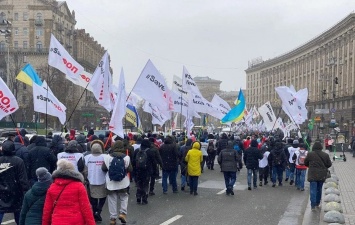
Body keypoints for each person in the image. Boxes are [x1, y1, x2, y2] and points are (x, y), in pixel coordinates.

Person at [42, 159, 95, 225]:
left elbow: (47, 210)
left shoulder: (52, 187)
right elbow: (86, 208)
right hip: (76, 221)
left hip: (57, 221)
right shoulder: (79, 186)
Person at [102, 140, 132, 225]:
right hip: (123, 182)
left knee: (112, 200)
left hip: (111, 182)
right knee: (124, 197)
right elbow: (130, 169)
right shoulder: (126, 157)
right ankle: (122, 213)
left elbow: (103, 168)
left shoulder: (107, 157)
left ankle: (113, 218)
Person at [0, 140, 29, 224]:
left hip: (2, 193)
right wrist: (26, 192)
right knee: (19, 217)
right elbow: (23, 179)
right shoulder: (18, 161)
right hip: (16, 193)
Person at [304, 141, 332, 211]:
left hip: (312, 174)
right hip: (322, 174)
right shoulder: (325, 155)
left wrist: (310, 166)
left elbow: (305, 163)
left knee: (313, 190)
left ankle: (312, 205)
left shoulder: (310, 154)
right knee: (319, 189)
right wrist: (323, 166)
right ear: (321, 147)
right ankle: (317, 203)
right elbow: (329, 164)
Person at [84, 140, 107, 222]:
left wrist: (86, 178)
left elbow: (85, 170)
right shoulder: (105, 157)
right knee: (103, 196)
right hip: (103, 179)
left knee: (93, 198)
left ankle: (95, 211)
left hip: (91, 180)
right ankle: (99, 210)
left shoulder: (87, 157)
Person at [133, 139, 155, 205]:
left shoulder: (137, 151)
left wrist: (134, 170)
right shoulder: (150, 152)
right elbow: (153, 162)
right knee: (145, 184)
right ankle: (144, 199)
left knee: (139, 184)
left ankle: (138, 196)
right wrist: (154, 171)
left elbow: (133, 161)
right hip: (146, 170)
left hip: (138, 170)